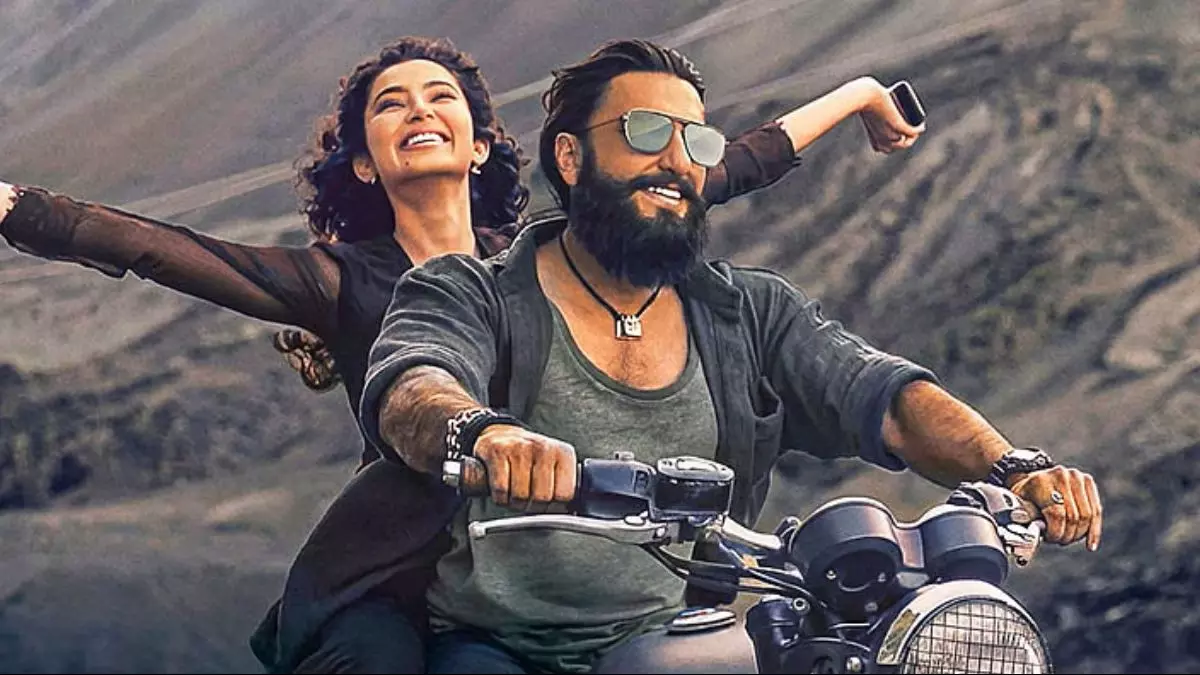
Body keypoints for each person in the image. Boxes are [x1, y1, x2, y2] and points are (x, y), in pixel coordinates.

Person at [0, 35, 924, 674]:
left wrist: (858, 96)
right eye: (389, 104)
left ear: (482, 145)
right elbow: (161, 250)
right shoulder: (338, 280)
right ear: (365, 161)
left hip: (557, 562)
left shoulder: (547, 257)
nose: (419, 109)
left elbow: (726, 166)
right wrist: (16, 208)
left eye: (440, 96)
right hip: (406, 571)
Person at [359, 38, 1103, 674]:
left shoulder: (748, 311)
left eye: (697, 141)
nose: (676, 160)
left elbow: (886, 398)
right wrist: (484, 434)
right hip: (501, 644)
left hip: (682, 637)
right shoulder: (473, 291)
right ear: (571, 156)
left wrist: (1012, 466)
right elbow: (414, 381)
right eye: (647, 132)